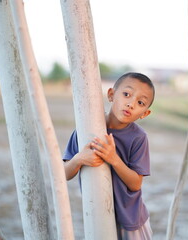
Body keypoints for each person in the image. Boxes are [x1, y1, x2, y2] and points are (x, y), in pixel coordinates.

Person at [62, 72, 155, 240]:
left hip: (130, 222)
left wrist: (113, 159)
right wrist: (78, 159)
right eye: (126, 94)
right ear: (111, 94)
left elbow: (136, 184)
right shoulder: (84, 131)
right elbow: (64, 174)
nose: (131, 104)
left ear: (145, 113)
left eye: (140, 102)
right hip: (97, 217)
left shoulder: (138, 138)